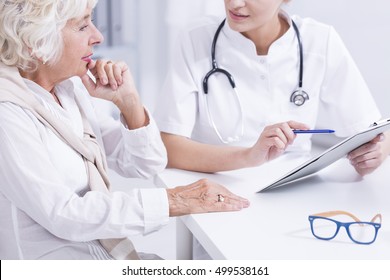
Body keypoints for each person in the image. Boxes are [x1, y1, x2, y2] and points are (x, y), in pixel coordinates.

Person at [0, 0, 249, 260]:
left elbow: (146, 163)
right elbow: (63, 214)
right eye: (83, 26)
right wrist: (174, 201)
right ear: (36, 42)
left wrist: (129, 103)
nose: (98, 36)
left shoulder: (68, 89)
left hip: (98, 255)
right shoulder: (8, 112)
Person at [154, 0, 390, 175]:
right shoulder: (196, 40)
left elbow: (370, 130)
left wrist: (379, 151)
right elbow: (168, 147)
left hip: (294, 188)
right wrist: (248, 156)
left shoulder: (319, 41)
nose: (235, 3)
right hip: (217, 189)